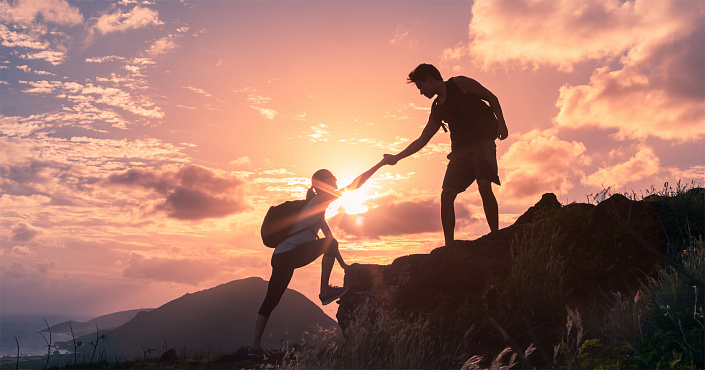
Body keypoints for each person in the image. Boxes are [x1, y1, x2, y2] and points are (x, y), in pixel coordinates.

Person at [249, 158, 389, 359]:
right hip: (288, 255)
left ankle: (254, 346)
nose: (336, 180)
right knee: (272, 299)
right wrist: (380, 164)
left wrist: (343, 265)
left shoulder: (316, 207)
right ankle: (324, 292)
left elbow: (329, 239)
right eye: (333, 178)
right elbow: (354, 186)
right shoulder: (319, 200)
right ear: (323, 184)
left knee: (271, 300)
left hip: (282, 256)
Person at [384, 63, 508, 246]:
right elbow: (422, 139)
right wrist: (396, 157)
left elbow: (491, 97)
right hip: (460, 154)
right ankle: (449, 246)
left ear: (429, 79)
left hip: (483, 144)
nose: (421, 92)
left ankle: (496, 236)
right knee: (447, 195)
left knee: (484, 184)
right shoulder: (437, 109)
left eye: (420, 86)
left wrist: (502, 123)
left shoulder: (460, 83)